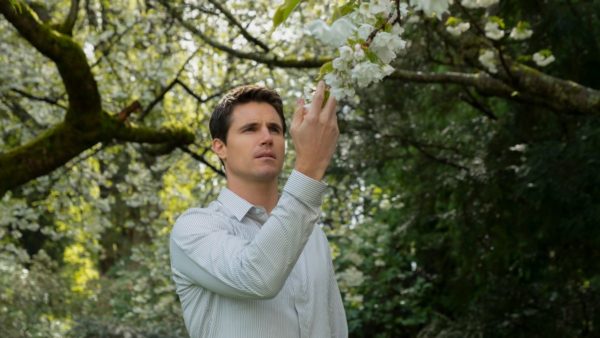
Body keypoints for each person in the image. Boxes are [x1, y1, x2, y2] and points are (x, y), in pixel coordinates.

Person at [169, 81, 348, 338]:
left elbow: (336, 328)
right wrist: (310, 166)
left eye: (275, 129)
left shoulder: (313, 236)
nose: (266, 138)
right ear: (220, 147)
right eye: (250, 129)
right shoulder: (194, 228)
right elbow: (256, 276)